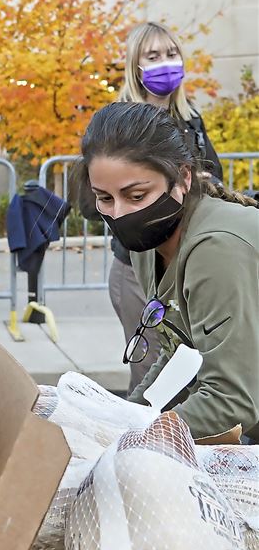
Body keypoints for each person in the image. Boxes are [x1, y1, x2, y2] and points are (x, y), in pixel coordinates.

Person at [80, 101, 259, 442]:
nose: (118, 214)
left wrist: (133, 438)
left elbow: (233, 402)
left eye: (136, 195)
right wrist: (129, 415)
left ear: (183, 178)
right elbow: (179, 352)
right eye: (104, 198)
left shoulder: (216, 249)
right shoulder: (151, 243)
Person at [108, 22, 224, 394]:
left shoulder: (191, 120)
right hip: (140, 269)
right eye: (154, 56)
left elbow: (214, 180)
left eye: (171, 54)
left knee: (197, 379)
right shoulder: (119, 125)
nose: (166, 63)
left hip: (192, 270)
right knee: (153, 382)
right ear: (136, 66)